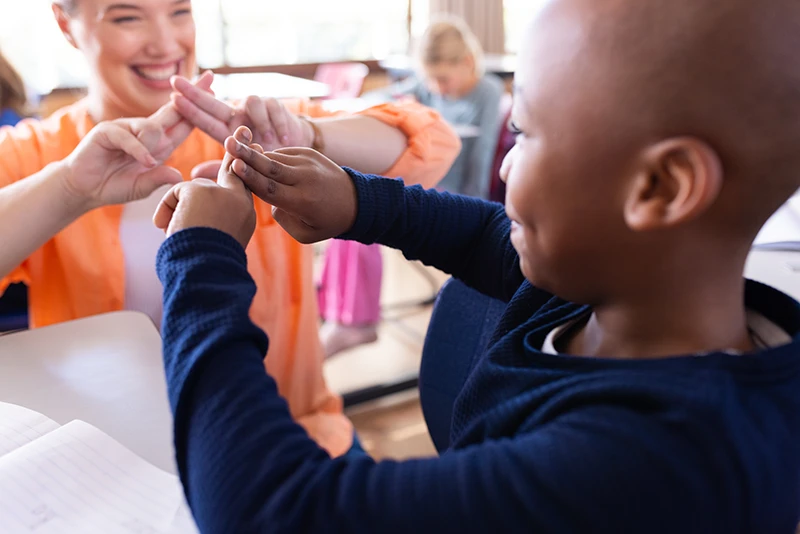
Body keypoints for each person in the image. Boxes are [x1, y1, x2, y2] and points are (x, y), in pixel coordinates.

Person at [154, 0, 800, 532]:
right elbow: (493, 239)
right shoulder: (631, 289)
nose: (506, 166)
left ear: (660, 187)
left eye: (527, 135)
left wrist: (202, 255)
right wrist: (358, 201)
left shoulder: (660, 463)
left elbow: (272, 511)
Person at [0, 0, 459, 457]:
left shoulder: (252, 128)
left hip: (286, 440)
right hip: (111, 460)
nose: (165, 43)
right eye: (126, 17)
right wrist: (68, 187)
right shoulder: (36, 156)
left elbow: (432, 141)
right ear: (66, 23)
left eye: (180, 12)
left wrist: (311, 138)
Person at [319, 16, 504, 357]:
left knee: (359, 207)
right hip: (418, 186)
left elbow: (480, 165)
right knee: (346, 194)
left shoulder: (487, 93)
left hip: (455, 199)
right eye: (429, 80)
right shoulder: (425, 87)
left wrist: (474, 231)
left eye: (443, 79)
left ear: (467, 63)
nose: (436, 89)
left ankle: (354, 319)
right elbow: (388, 96)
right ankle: (340, 307)